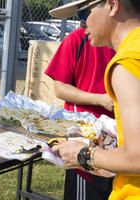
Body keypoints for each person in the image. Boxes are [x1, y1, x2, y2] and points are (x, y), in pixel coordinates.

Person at [49, 0, 140, 199]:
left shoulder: (127, 63)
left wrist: (84, 155)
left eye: (83, 14)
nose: (82, 24)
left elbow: (137, 157)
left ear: (112, 5)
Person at [45, 17, 115, 199]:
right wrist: (100, 100)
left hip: (123, 142)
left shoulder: (128, 43)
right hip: (85, 139)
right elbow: (60, 87)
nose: (84, 23)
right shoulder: (77, 39)